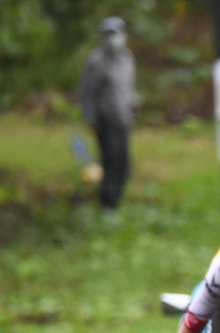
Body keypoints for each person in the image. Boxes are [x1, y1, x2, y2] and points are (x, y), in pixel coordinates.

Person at [77, 17, 138, 210]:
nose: (113, 39)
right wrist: (91, 119)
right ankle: (107, 205)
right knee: (110, 162)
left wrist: (134, 103)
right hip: (106, 120)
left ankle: (118, 200)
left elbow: (128, 88)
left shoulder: (127, 59)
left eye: (116, 34)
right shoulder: (96, 61)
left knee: (122, 163)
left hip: (124, 119)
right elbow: (87, 93)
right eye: (109, 35)